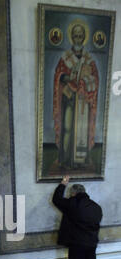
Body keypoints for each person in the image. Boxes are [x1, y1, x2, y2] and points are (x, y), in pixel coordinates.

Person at [53, 23, 99, 169]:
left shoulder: (89, 59)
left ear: (83, 38)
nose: (78, 39)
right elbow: (58, 75)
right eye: (75, 36)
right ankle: (66, 160)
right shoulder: (65, 57)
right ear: (72, 38)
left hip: (82, 100)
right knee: (67, 127)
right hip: (69, 98)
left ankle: (80, 160)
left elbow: (95, 78)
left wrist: (85, 81)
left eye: (80, 36)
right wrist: (68, 78)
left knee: (81, 129)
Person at [52, 175, 102, 259]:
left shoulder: (71, 203)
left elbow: (56, 199)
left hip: (77, 243)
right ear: (85, 192)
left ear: (73, 193)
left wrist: (63, 183)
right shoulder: (96, 206)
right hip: (92, 242)